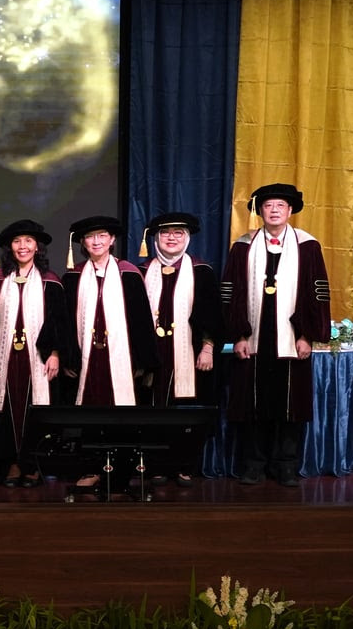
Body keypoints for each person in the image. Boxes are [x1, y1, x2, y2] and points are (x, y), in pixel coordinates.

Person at [221, 183, 330, 487]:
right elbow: (231, 293)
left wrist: (307, 335)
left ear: (290, 210)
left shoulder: (308, 246)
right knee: (251, 406)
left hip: (292, 339)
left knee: (290, 406)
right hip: (253, 338)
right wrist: (239, 335)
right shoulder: (243, 246)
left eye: (280, 205)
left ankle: (286, 465)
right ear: (260, 211)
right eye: (268, 205)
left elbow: (317, 294)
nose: (274, 211)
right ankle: (253, 465)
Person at [0, 219, 70, 488]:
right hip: (4, 356)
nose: (23, 246)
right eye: (17, 241)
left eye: (28, 241)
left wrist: (55, 353)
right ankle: (12, 463)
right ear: (10, 246)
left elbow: (58, 322)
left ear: (37, 246)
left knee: (36, 410)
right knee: (6, 410)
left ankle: (33, 465)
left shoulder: (50, 282)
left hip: (38, 357)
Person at [139, 212, 225, 486]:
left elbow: (212, 315)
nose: (171, 238)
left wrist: (208, 348)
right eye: (165, 233)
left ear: (187, 238)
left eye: (178, 233)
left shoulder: (202, 271)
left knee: (186, 411)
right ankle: (155, 466)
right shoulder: (141, 272)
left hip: (191, 353)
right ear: (156, 238)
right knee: (153, 409)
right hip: (152, 355)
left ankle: (184, 465)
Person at [61, 216, 156, 406]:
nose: (96, 241)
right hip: (84, 357)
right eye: (90, 236)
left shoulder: (129, 274)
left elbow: (141, 321)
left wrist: (141, 361)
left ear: (112, 239)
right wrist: (68, 359)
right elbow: (66, 323)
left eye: (102, 235)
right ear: (83, 242)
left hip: (124, 358)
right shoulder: (72, 277)